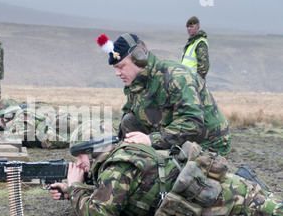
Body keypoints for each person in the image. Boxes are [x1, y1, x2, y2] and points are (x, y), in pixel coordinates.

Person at [48, 122, 283, 216]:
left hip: (236, 202)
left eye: (81, 156)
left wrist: (76, 186)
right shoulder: (123, 159)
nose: (78, 163)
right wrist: (75, 192)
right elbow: (116, 195)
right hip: (230, 193)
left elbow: (101, 213)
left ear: (96, 150)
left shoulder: (117, 165)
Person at [96, 33, 231, 156]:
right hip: (174, 141)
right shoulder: (136, 85)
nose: (117, 73)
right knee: (128, 120)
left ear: (140, 58)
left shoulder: (177, 77)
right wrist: (113, 148)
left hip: (206, 147)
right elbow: (130, 117)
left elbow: (192, 122)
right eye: (115, 68)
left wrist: (150, 140)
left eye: (121, 66)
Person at [0, 98, 76, 149]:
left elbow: (17, 136)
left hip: (68, 139)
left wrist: (1, 138)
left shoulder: (22, 117)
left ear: (10, 114)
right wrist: (1, 137)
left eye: (0, 118)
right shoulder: (19, 119)